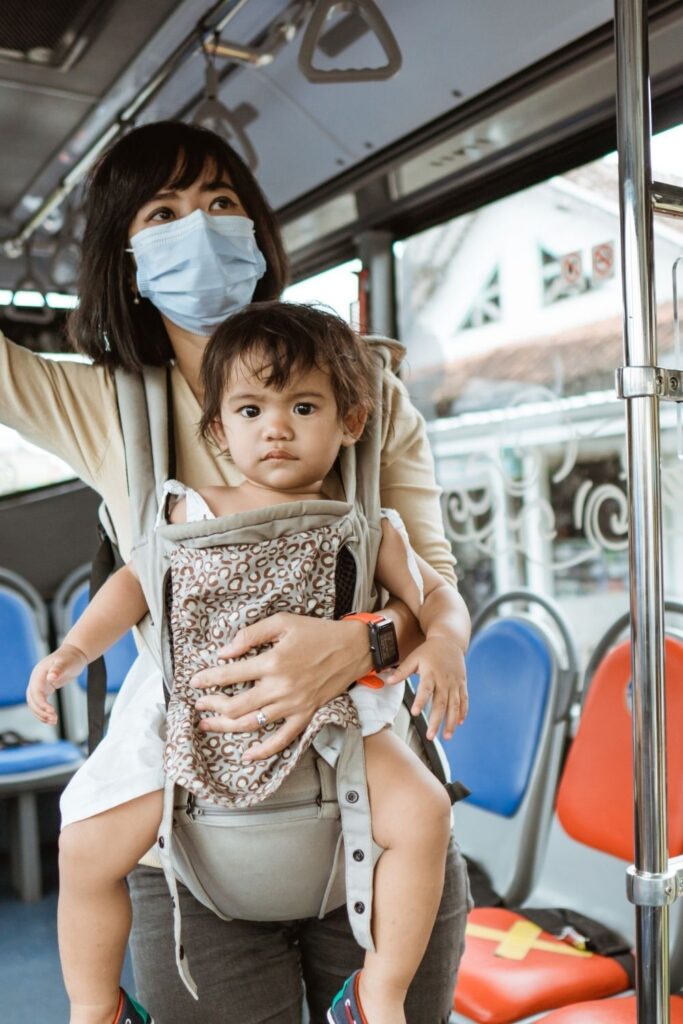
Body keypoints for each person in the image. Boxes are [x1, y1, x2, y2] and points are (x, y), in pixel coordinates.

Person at [0, 120, 471, 1023]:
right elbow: (135, 582)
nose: (199, 227)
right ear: (124, 253)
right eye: (163, 212)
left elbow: (429, 582)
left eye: (220, 203)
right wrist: (71, 651)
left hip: (363, 824)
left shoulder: (366, 392)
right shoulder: (103, 402)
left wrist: (355, 644)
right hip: (192, 855)